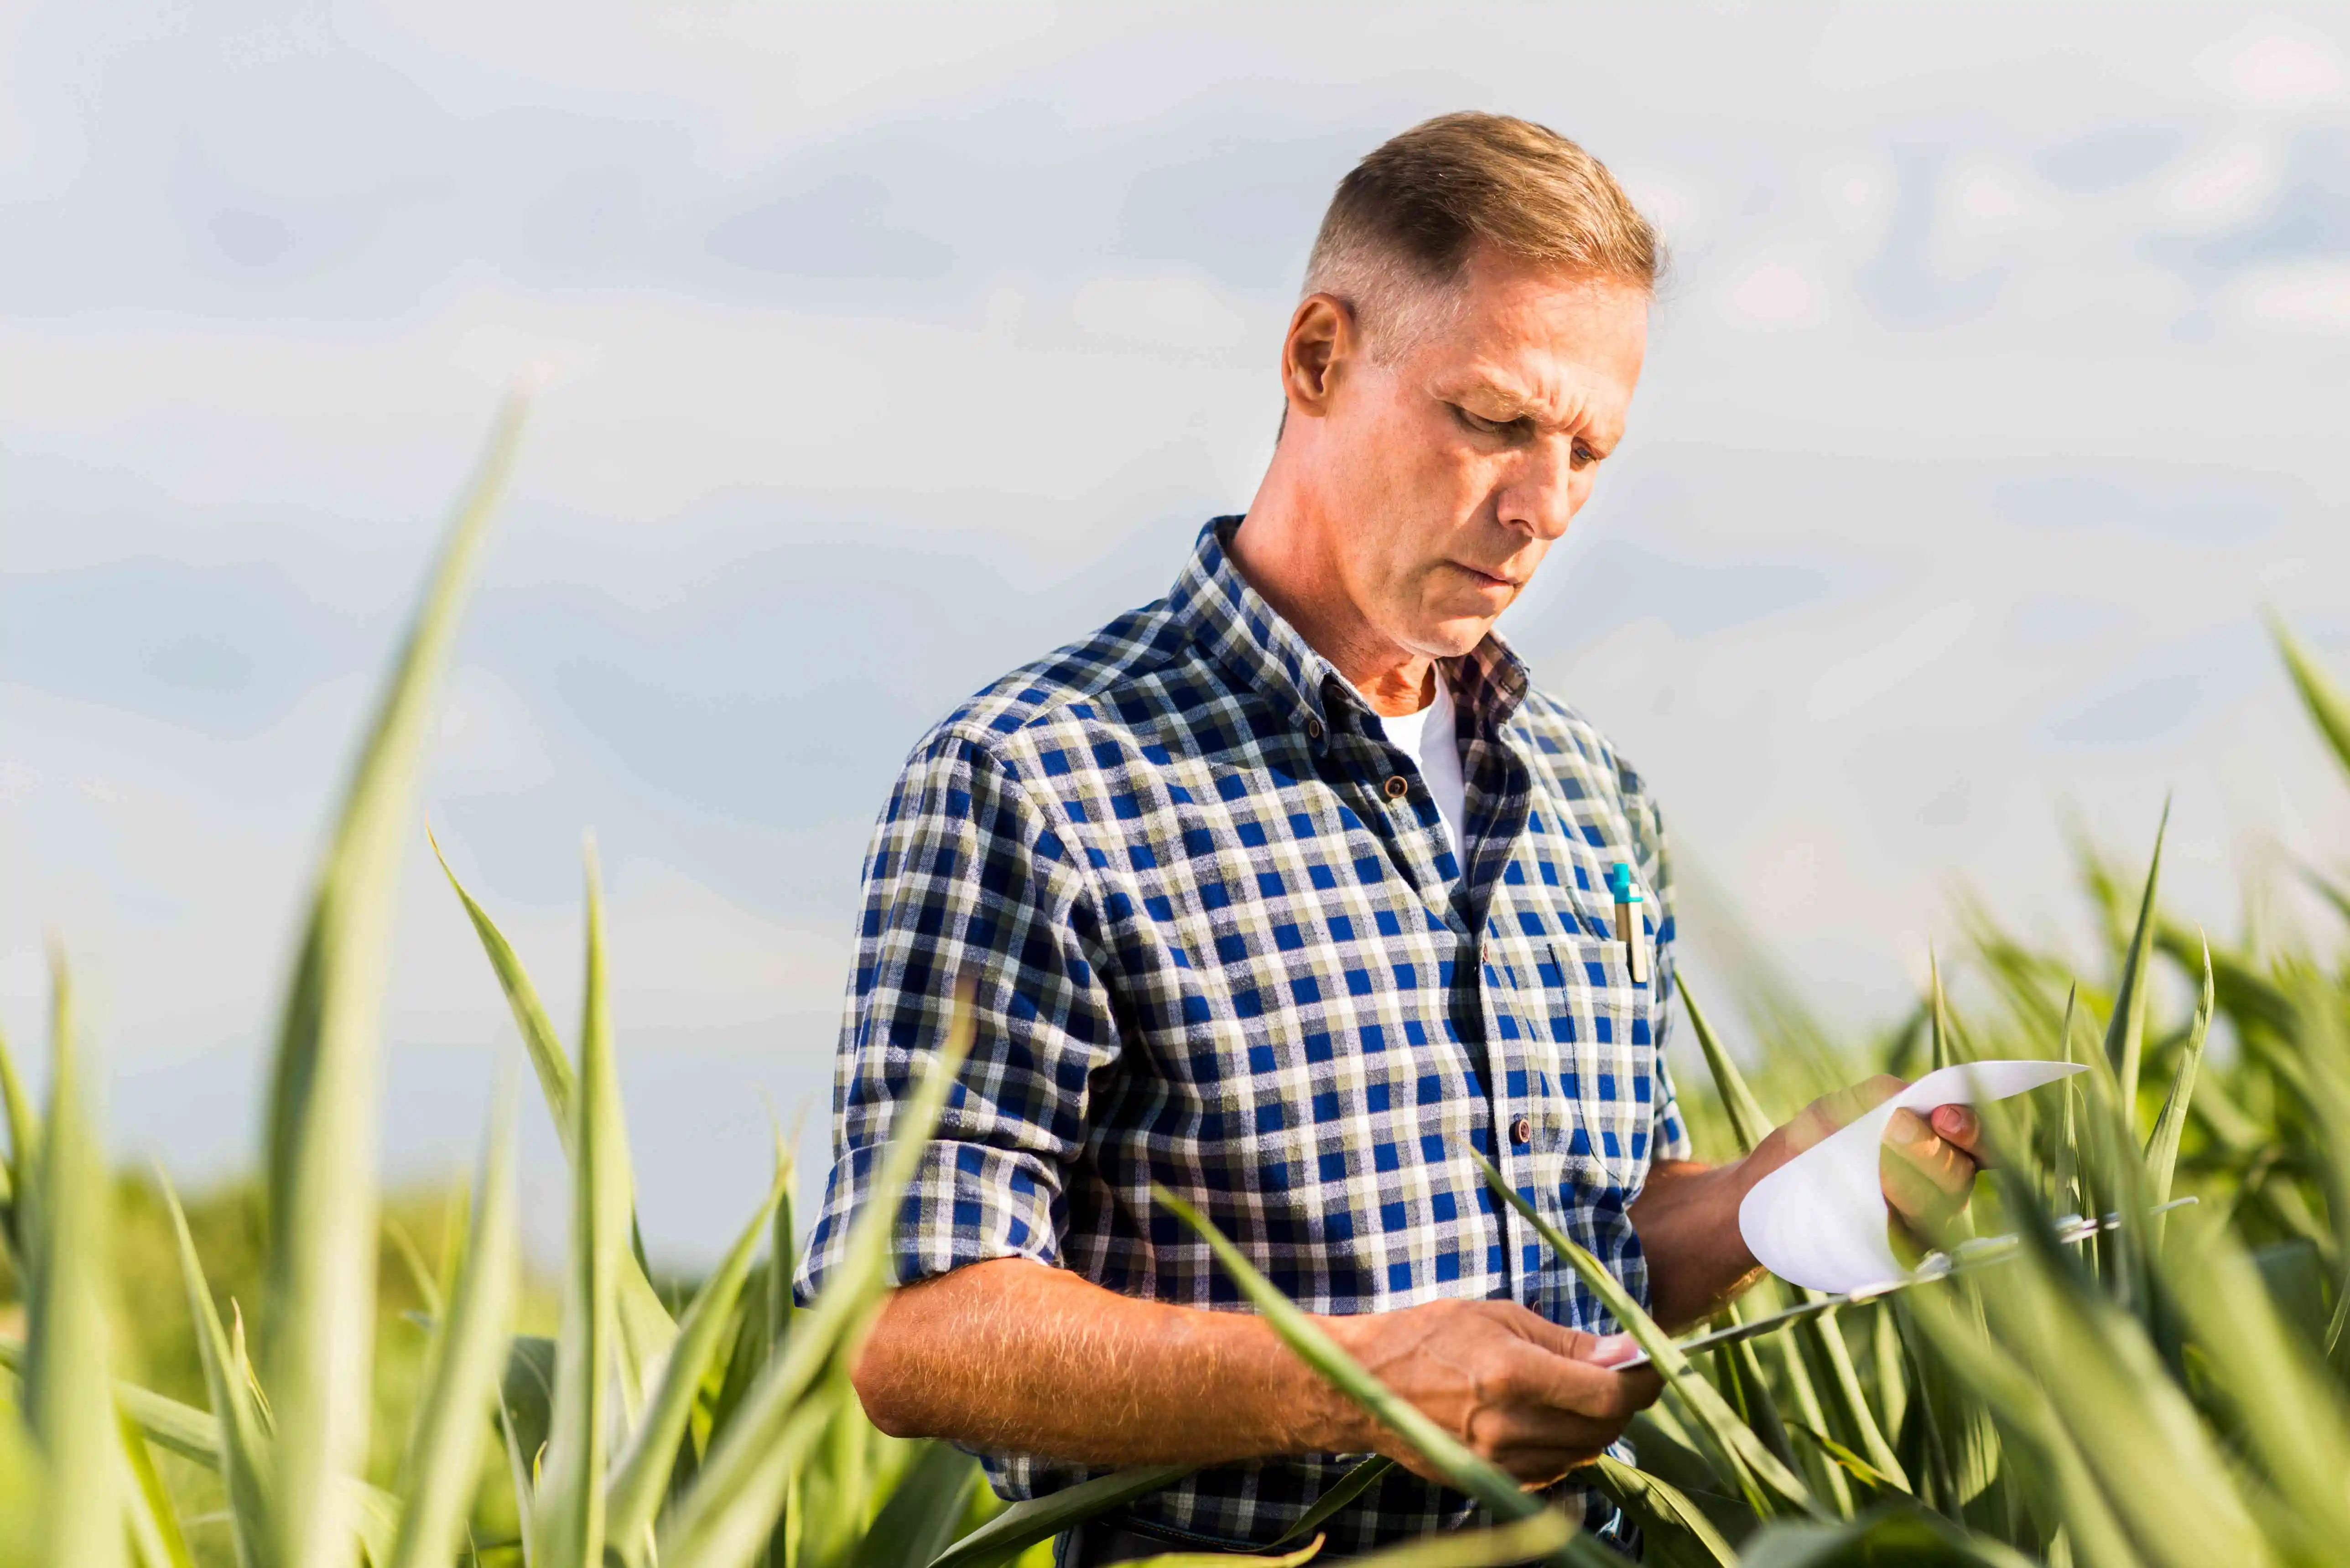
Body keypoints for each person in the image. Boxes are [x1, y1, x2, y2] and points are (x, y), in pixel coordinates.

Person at [795, 112, 1985, 1559]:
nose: (1544, 504)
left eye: (1588, 448)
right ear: (1317, 359)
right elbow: (908, 1326)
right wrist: (1354, 1389)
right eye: (1493, 420)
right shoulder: (1032, 785)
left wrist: (1765, 1198)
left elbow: (1589, 1270)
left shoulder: (1589, 798)